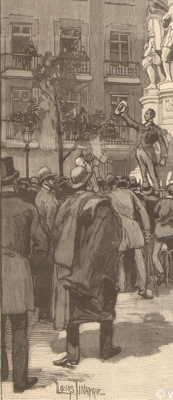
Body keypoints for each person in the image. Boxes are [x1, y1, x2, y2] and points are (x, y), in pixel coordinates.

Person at [52, 165, 122, 368]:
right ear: (89, 180)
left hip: (71, 268)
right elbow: (112, 236)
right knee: (104, 308)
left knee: (74, 315)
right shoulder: (101, 204)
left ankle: (72, 356)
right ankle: (106, 349)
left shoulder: (66, 204)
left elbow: (55, 232)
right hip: (96, 268)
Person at [2, 156, 48, 392]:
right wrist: (31, 268)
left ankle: (1, 372)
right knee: (19, 328)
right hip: (18, 271)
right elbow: (41, 247)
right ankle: (19, 382)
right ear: (16, 181)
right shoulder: (28, 209)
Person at [106, 175, 153, 300]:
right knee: (139, 259)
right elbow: (142, 211)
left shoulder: (109, 196)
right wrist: (147, 231)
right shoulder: (130, 193)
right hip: (133, 227)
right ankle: (142, 289)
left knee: (119, 257)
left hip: (118, 228)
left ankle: (121, 287)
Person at [116, 102, 168, 189]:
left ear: (152, 116)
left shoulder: (156, 129)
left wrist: (163, 158)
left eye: (147, 114)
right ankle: (146, 189)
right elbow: (131, 123)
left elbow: (162, 144)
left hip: (148, 152)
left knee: (152, 174)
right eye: (145, 114)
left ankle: (157, 189)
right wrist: (123, 114)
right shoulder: (141, 126)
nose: (145, 116)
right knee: (143, 173)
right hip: (139, 151)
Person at [34, 166, 58, 321]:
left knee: (44, 276)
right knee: (48, 276)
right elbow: (49, 222)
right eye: (50, 178)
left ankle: (44, 311)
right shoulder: (47, 197)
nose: (53, 180)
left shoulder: (42, 194)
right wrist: (54, 240)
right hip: (48, 241)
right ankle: (46, 312)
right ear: (45, 181)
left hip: (42, 240)